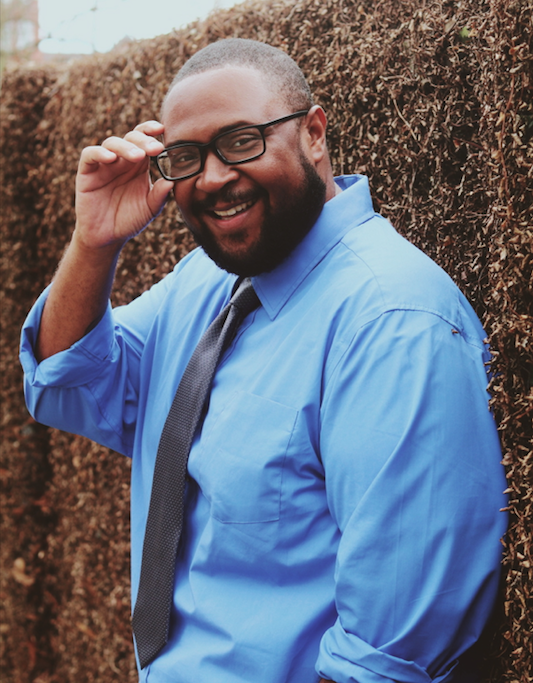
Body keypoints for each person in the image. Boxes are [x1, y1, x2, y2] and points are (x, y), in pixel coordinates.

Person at [20, 38, 507, 683]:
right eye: (187, 156)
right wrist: (93, 243)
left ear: (313, 134)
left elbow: (390, 655)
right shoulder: (206, 281)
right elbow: (67, 383)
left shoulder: (393, 323)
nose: (213, 177)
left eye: (241, 141)